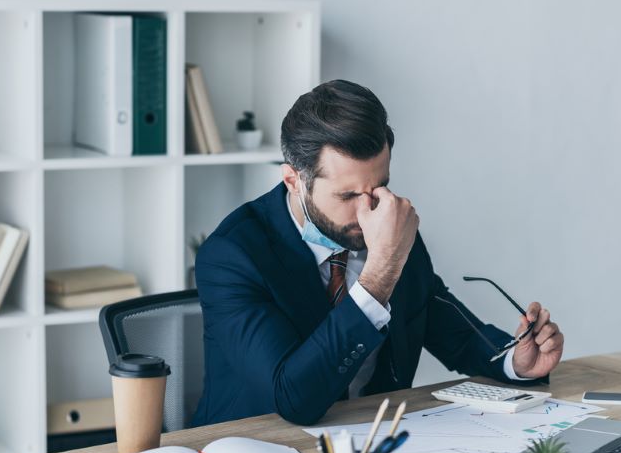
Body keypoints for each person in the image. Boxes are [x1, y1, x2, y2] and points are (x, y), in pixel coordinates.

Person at [191, 80, 564, 426]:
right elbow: (293, 400)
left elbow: (456, 335)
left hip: (371, 440)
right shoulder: (232, 256)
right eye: (348, 195)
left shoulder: (391, 229)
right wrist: (380, 272)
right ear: (294, 181)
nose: (368, 210)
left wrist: (516, 362)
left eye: (380, 186)